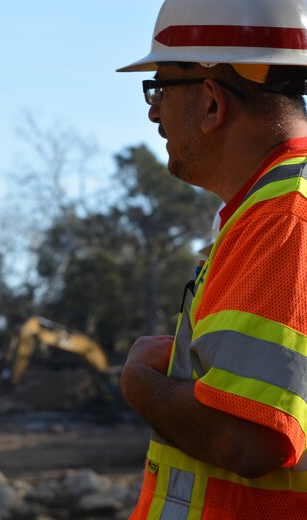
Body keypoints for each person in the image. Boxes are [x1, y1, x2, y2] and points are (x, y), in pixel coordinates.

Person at [118, 0, 307, 518]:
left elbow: (247, 438)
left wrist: (141, 382)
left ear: (211, 103)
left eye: (159, 87)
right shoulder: (267, 212)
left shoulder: (284, 221)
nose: (153, 111)